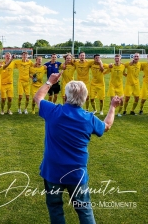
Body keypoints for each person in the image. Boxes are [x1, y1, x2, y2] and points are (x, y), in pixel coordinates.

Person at [34, 74, 122, 224]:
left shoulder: (53, 111)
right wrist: (112, 107)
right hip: (77, 173)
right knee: (84, 209)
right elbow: (107, 126)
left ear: (65, 97)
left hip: (52, 170)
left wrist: (50, 82)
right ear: (85, 99)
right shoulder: (89, 118)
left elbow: (38, 98)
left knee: (55, 207)